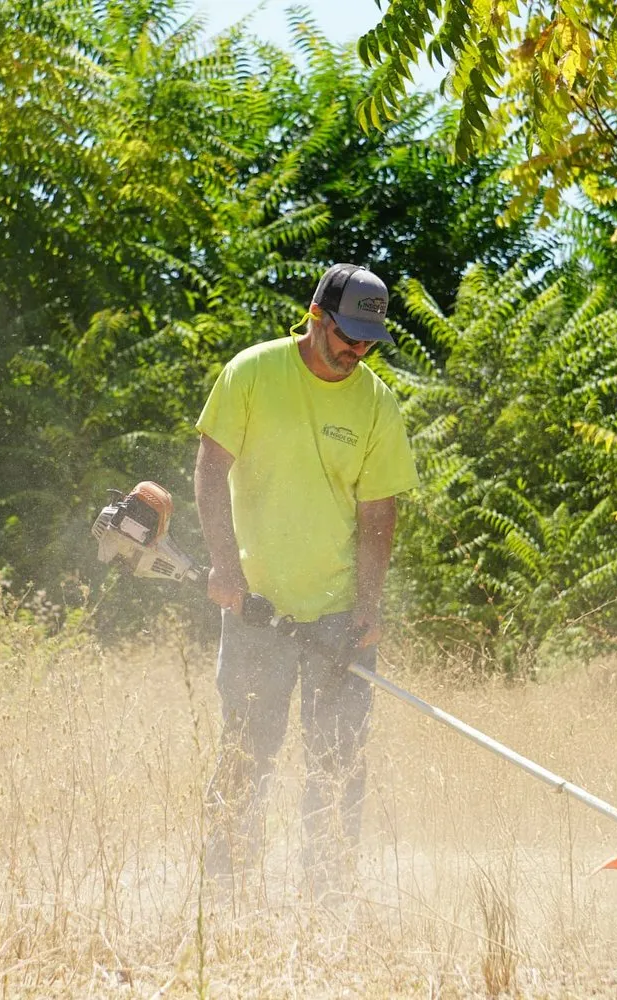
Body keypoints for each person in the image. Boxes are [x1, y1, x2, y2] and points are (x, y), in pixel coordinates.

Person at [193, 263, 419, 895]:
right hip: (254, 606)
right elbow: (211, 467)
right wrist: (223, 565)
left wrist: (368, 607)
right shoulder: (253, 372)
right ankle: (225, 890)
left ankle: (328, 897)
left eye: (368, 339)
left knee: (339, 761)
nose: (357, 349)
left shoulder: (375, 401)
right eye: (347, 333)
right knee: (246, 754)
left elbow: (379, 511)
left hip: (338, 611)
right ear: (316, 316)